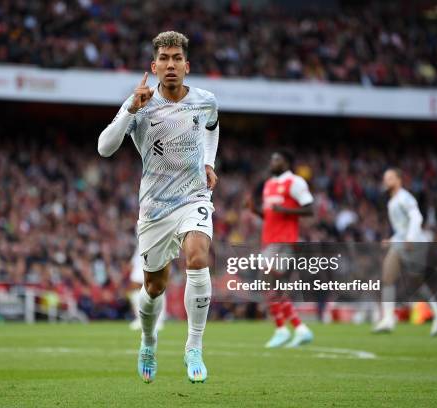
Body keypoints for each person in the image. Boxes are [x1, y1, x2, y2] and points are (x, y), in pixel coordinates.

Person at [98, 31, 219, 383]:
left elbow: (211, 128)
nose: (170, 65)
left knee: (198, 257)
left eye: (176, 58)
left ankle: (193, 347)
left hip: (194, 197)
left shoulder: (205, 100)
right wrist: (129, 110)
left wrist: (209, 162)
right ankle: (148, 341)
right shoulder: (140, 103)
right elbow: (105, 148)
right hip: (154, 208)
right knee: (154, 287)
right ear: (154, 66)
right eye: (164, 59)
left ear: (186, 65)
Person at [249, 151, 315, 348]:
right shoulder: (269, 185)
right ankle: (299, 328)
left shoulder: (295, 182)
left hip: (285, 241)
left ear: (286, 162)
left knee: (266, 281)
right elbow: (270, 216)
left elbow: (309, 208)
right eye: (271, 158)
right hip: (269, 241)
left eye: (276, 159)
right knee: (275, 288)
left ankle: (282, 329)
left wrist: (286, 210)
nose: (272, 162)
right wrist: (255, 211)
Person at [373, 168, 437, 336]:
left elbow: (416, 217)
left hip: (415, 243)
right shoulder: (392, 201)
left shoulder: (405, 197)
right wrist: (392, 239)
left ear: (399, 180)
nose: (386, 181)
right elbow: (402, 227)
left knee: (410, 282)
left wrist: (411, 238)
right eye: (385, 178)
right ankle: (390, 318)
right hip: (403, 242)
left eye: (390, 178)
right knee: (392, 277)